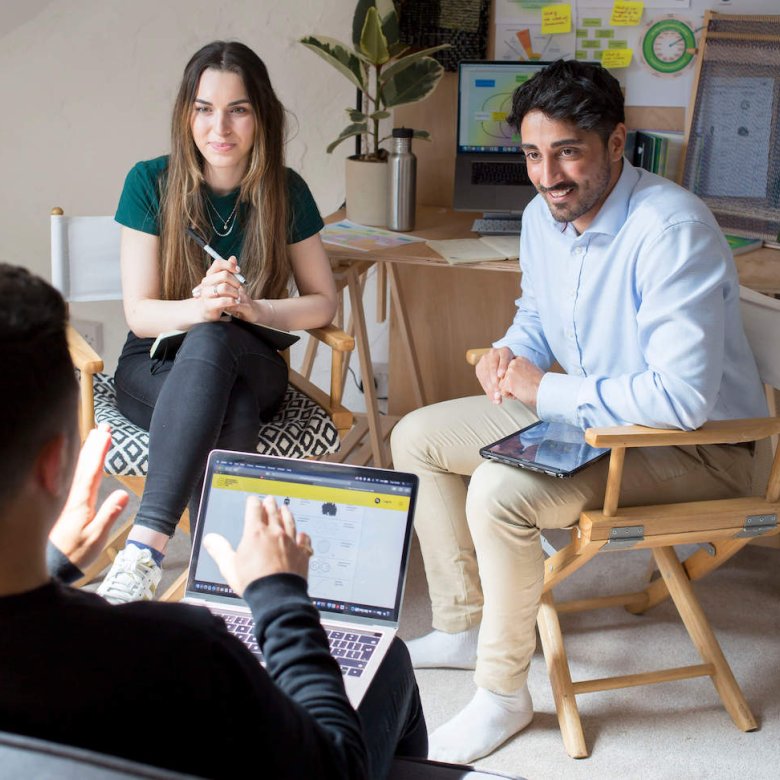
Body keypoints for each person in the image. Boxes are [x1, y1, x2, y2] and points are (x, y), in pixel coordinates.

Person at [391, 59, 768, 764]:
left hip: (699, 447)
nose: (548, 175)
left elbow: (681, 400)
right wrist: (509, 353)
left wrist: (543, 391)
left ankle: (502, 693)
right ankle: (467, 623)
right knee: (416, 436)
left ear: (617, 142)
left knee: (501, 491)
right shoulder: (545, 215)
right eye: (534, 155)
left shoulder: (671, 229)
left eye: (568, 152)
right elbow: (538, 314)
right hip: (594, 417)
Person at [0, 263, 426, 779]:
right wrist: (280, 598)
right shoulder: (181, 652)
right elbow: (333, 770)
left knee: (231, 387)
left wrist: (52, 571)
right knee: (390, 659)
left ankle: (146, 545)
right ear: (56, 465)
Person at [97, 40, 339, 604]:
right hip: (156, 360)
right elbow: (140, 314)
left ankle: (144, 549)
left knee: (217, 340)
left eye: (238, 109)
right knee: (228, 399)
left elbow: (323, 302)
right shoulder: (150, 182)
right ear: (187, 114)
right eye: (204, 108)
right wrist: (200, 308)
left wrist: (254, 310)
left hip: (252, 357)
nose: (219, 127)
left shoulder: (286, 190)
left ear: (261, 117)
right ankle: (219, 582)